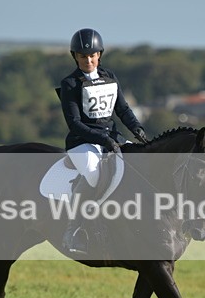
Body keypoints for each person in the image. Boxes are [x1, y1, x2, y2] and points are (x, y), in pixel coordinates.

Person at [59, 28, 149, 255]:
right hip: (82, 141)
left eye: (92, 55)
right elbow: (74, 123)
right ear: (75, 57)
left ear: (100, 54)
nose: (88, 60)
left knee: (139, 166)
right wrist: (103, 139)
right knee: (94, 174)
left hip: (113, 138)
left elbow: (123, 109)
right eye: (82, 56)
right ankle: (74, 228)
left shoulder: (109, 77)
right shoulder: (70, 84)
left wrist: (137, 129)